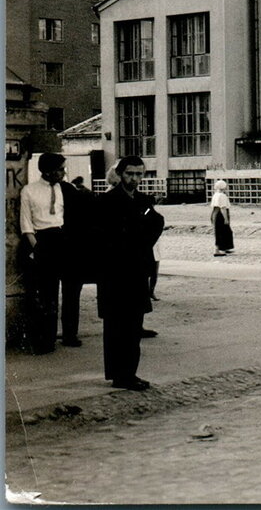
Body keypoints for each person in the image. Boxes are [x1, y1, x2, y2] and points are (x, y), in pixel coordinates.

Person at [97, 156, 164, 390]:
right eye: (129, 174)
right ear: (119, 174)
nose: (134, 179)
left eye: (139, 174)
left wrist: (140, 241)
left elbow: (156, 222)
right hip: (114, 273)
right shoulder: (107, 201)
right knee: (116, 326)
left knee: (134, 326)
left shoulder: (144, 201)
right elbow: (103, 237)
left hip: (136, 270)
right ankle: (118, 374)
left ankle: (129, 373)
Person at [18, 153, 71, 353]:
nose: (63, 173)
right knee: (39, 294)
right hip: (39, 241)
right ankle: (38, 340)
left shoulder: (62, 189)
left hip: (59, 240)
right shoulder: (29, 191)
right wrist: (37, 247)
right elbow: (26, 223)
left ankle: (50, 339)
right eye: (60, 169)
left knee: (53, 294)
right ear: (47, 170)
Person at [60, 176, 101, 348]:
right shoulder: (86, 198)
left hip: (67, 252)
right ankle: (70, 335)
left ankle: (68, 334)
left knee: (69, 296)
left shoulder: (66, 198)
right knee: (72, 295)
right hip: (83, 254)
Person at [210, 179, 235, 256]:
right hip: (221, 214)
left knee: (221, 231)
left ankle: (225, 247)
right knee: (222, 232)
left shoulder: (215, 195)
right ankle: (219, 249)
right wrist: (226, 218)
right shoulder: (222, 196)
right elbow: (223, 208)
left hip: (215, 213)